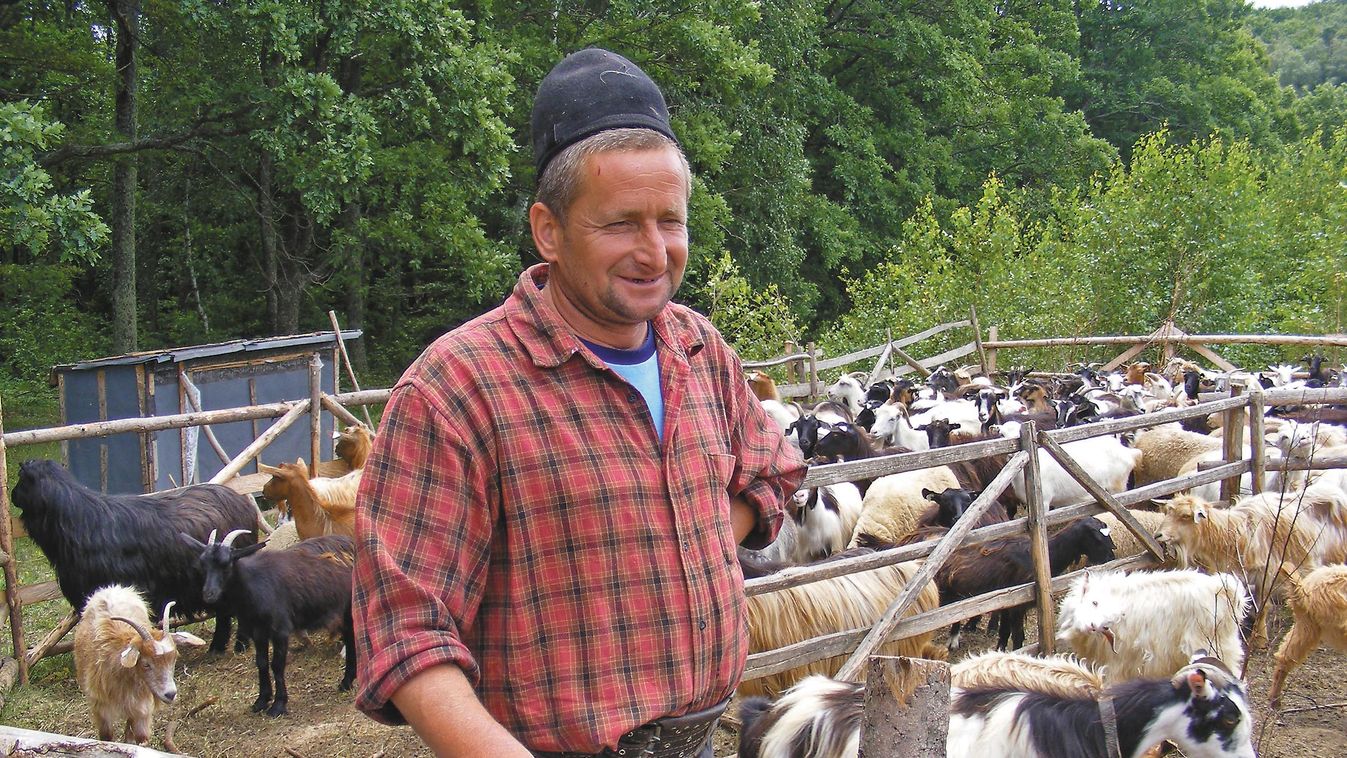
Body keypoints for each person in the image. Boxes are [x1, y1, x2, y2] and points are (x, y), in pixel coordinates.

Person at [351, 47, 806, 757]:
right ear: (548, 230)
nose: (654, 253)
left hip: (701, 741)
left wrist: (690, 532)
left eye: (670, 221)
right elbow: (405, 631)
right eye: (621, 223)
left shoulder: (697, 349)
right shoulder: (455, 390)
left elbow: (770, 466)